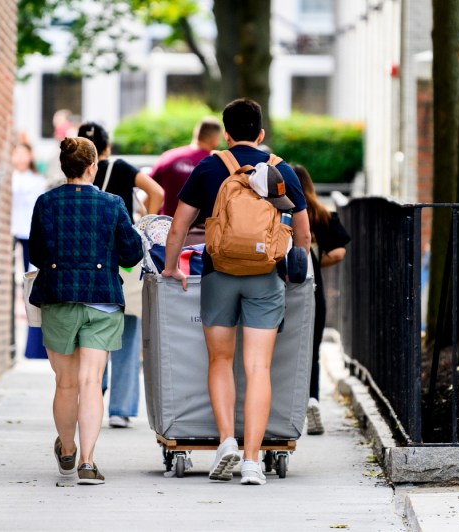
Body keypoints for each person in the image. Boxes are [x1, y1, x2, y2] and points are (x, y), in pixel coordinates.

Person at [161, 98, 312, 485]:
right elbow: (303, 233)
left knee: (220, 361)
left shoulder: (210, 166)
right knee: (258, 367)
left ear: (226, 134)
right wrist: (295, 269)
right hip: (266, 274)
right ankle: (251, 462)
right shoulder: (281, 170)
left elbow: (178, 227)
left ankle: (226, 440)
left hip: (218, 273)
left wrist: (171, 265)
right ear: (261, 133)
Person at [28, 137, 144, 485]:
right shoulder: (112, 203)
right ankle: (89, 463)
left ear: (65, 167)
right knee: (91, 382)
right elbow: (131, 255)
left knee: (65, 383)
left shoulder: (45, 203)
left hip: (58, 297)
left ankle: (67, 451)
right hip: (102, 300)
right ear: (93, 167)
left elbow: (35, 253)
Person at [77, 121, 164, 429]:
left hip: (89, 259)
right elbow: (157, 191)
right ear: (107, 147)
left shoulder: (78, 171)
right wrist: (144, 225)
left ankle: (90, 396)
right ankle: (122, 409)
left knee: (91, 333)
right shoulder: (121, 167)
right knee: (127, 334)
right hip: (124, 262)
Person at [292, 165, 350, 435]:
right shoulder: (321, 214)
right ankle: (312, 400)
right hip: (311, 290)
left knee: (277, 351)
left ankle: (283, 408)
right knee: (310, 351)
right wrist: (314, 262)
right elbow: (338, 252)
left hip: (278, 287)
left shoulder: (280, 210)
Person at [10, 142, 49, 359]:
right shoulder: (11, 177)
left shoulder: (38, 181)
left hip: (30, 235)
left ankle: (33, 347)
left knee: (31, 285)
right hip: (11, 233)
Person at [150, 117, 222, 217]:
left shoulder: (168, 156)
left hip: (165, 226)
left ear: (196, 134)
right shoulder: (215, 163)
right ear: (215, 139)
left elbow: (149, 192)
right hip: (200, 229)